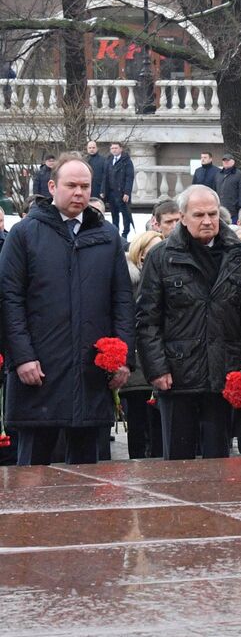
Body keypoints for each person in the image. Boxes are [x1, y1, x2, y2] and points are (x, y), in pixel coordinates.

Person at [0, 153, 133, 465]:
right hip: (39, 375)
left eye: (85, 186)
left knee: (90, 479)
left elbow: (123, 301)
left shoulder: (107, 236)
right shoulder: (25, 234)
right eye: (71, 185)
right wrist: (22, 357)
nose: (79, 193)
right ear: (51, 186)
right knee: (34, 477)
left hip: (91, 373)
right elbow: (9, 299)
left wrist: (123, 358)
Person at [135, 185, 241, 460]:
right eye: (199, 215)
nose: (208, 221)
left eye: (212, 214)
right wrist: (157, 368)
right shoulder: (162, 256)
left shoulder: (237, 254)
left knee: (218, 457)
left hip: (224, 371)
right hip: (177, 374)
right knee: (179, 459)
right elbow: (148, 319)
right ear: (182, 217)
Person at [123, 230, 165, 459]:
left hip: (159, 365)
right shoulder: (130, 283)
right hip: (138, 369)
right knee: (138, 426)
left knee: (158, 428)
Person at [105, 142, 135, 238]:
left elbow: (129, 178)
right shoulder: (109, 160)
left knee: (125, 215)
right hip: (111, 193)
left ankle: (125, 234)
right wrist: (103, 190)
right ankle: (115, 234)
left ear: (121, 149)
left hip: (122, 193)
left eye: (116, 148)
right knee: (114, 215)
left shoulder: (127, 161)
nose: (114, 150)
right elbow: (105, 177)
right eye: (112, 148)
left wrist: (127, 192)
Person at [86, 141, 108, 206]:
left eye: (93, 147)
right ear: (87, 149)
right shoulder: (84, 160)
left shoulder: (103, 160)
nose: (91, 149)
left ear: (97, 148)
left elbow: (105, 176)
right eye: (90, 148)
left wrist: (103, 190)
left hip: (98, 190)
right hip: (86, 189)